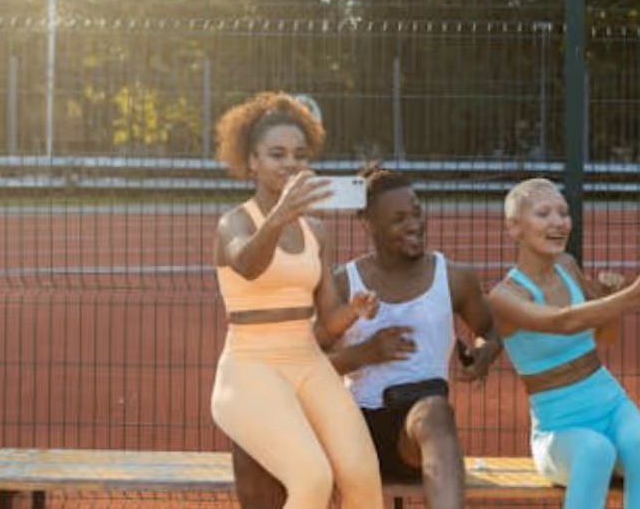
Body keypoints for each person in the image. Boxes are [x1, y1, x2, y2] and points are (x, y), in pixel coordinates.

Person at [232, 165, 504, 509]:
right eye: (399, 219)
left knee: (437, 411)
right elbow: (301, 364)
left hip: (415, 437)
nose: (414, 225)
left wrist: (484, 355)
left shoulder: (454, 279)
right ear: (369, 225)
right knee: (257, 434)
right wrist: (365, 353)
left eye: (417, 214)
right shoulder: (345, 284)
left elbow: (491, 331)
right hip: (353, 430)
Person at [210, 91, 384, 509]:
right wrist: (282, 212)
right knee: (312, 478)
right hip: (249, 367)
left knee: (362, 475)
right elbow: (248, 264)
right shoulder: (233, 222)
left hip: (306, 359)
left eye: (299, 155)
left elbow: (328, 319)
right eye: (277, 154)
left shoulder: (316, 231)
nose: (290, 164)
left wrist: (355, 311)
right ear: (252, 161)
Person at [488, 177, 640, 509]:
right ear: (514, 228)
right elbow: (561, 321)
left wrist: (611, 298)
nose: (558, 222)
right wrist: (635, 294)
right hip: (558, 429)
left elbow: (605, 337)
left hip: (611, 403)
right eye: (543, 213)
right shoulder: (505, 296)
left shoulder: (567, 266)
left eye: (563, 213)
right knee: (596, 451)